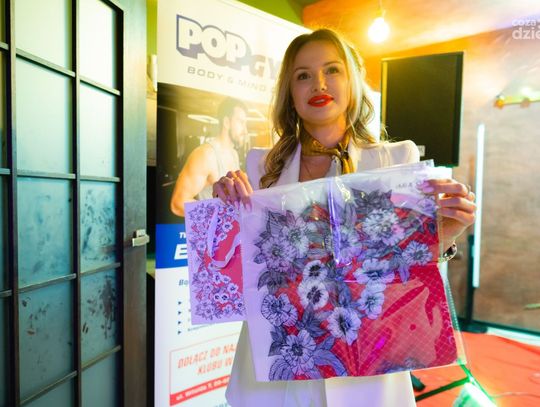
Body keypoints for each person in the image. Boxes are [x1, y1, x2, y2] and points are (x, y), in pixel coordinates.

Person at [212, 29, 476, 407]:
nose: (318, 83)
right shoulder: (261, 166)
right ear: (290, 92)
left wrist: (446, 232)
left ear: (352, 80)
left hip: (367, 364)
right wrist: (222, 213)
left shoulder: (394, 160)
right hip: (277, 364)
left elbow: (402, 270)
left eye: (332, 70)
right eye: (303, 75)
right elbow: (240, 268)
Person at [170, 96, 248, 217]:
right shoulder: (206, 154)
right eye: (241, 122)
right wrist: (220, 215)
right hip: (213, 228)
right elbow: (177, 204)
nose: (245, 130)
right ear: (226, 122)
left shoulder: (234, 154)